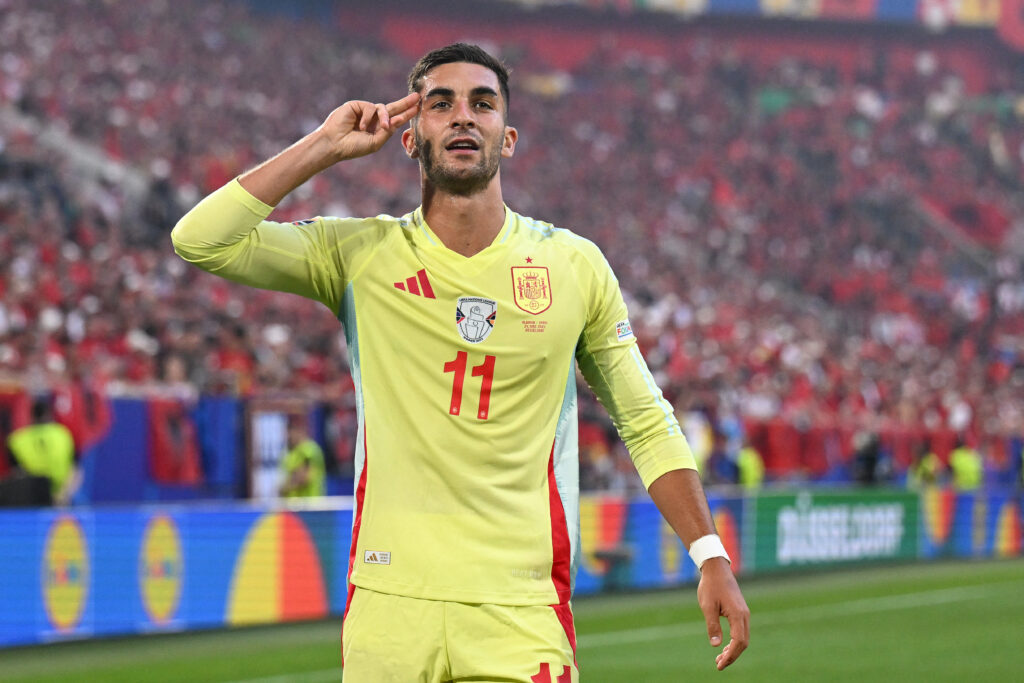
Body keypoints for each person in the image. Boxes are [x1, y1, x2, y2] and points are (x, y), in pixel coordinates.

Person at [172, 43, 749, 680]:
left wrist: (709, 552)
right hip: (390, 603)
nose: (463, 118)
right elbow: (199, 240)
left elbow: (645, 420)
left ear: (508, 138)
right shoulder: (360, 254)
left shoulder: (573, 266)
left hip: (519, 605)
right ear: (409, 135)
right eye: (439, 104)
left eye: (483, 103)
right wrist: (324, 146)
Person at [5, 398, 80, 506]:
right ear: (49, 414)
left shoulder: (17, 440)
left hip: (30, 498)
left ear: (31, 416)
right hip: (60, 497)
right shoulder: (63, 434)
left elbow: (17, 473)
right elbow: (75, 470)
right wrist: (63, 494)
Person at [279, 415, 326, 498]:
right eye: (288, 432)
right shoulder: (289, 453)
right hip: (292, 507)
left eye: (292, 431)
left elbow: (303, 477)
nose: (289, 436)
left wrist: (285, 488)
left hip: (310, 506)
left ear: (300, 431)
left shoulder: (309, 450)